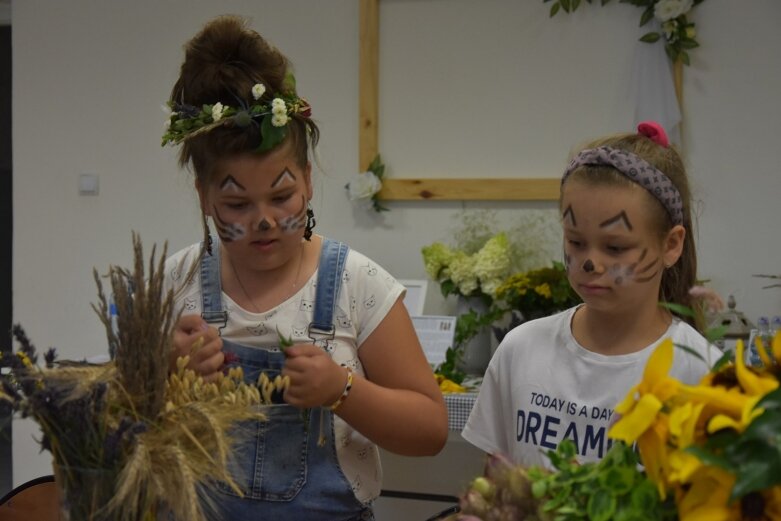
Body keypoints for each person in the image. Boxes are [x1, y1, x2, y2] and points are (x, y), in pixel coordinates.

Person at [161, 15, 448, 520]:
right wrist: (166, 373)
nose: (265, 221)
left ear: (309, 181)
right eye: (237, 205)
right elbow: (109, 429)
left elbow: (430, 431)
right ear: (204, 196)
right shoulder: (172, 284)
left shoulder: (357, 286)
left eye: (282, 195)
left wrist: (343, 391)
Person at [461, 121, 722, 468]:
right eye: (576, 242)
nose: (590, 263)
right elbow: (494, 485)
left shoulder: (701, 370)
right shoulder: (520, 349)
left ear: (671, 245)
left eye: (615, 247)